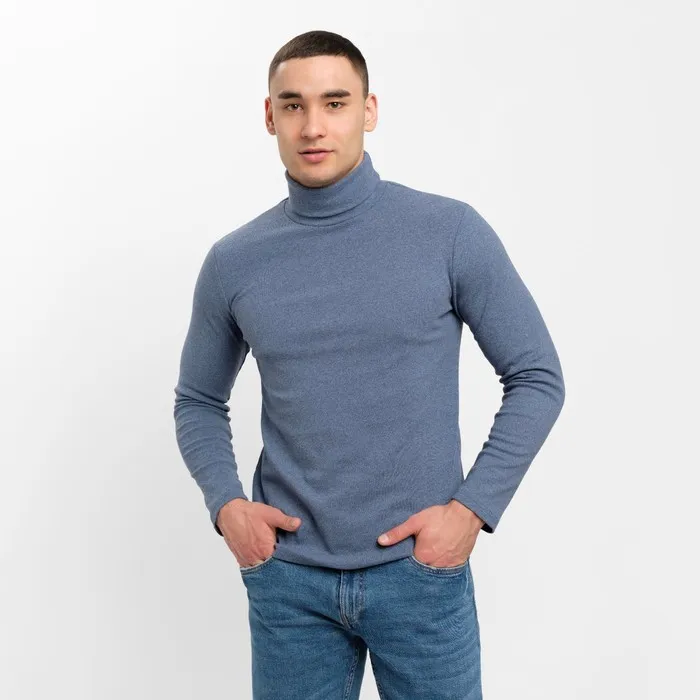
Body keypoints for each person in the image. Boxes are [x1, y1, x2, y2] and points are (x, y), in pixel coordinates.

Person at [173, 29, 565, 700]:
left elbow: (536, 378)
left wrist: (470, 511)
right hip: (289, 582)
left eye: (335, 102)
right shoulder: (235, 261)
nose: (313, 126)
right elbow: (198, 401)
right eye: (293, 105)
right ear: (269, 116)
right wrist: (228, 507)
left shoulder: (449, 232)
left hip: (420, 574)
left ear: (369, 110)